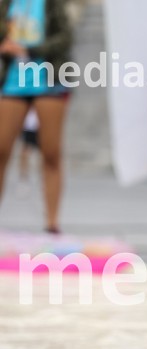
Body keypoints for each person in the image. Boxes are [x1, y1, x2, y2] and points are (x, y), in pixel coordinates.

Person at [0, 0, 72, 233]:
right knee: (2, 149)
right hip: (12, 81)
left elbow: (65, 38)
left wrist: (31, 50)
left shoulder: (52, 4)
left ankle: (52, 224)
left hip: (47, 80)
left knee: (51, 152)